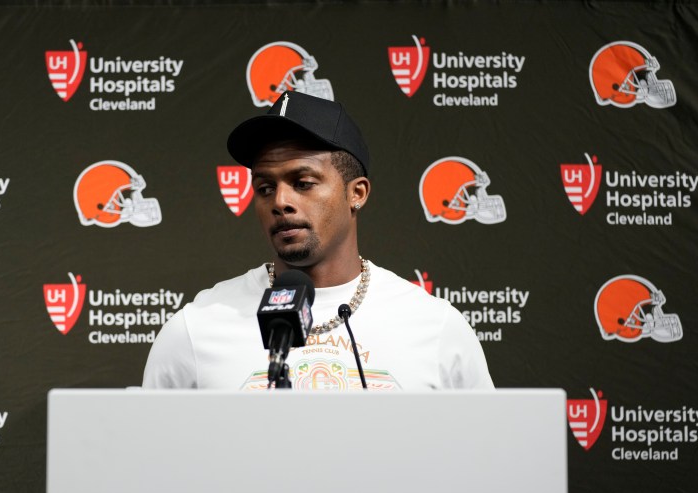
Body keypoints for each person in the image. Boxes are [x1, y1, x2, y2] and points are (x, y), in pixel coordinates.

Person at [143, 91, 493, 390]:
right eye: (265, 188)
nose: (280, 201)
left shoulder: (434, 327)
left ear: (356, 193)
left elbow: (487, 456)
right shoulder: (196, 328)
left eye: (303, 183)